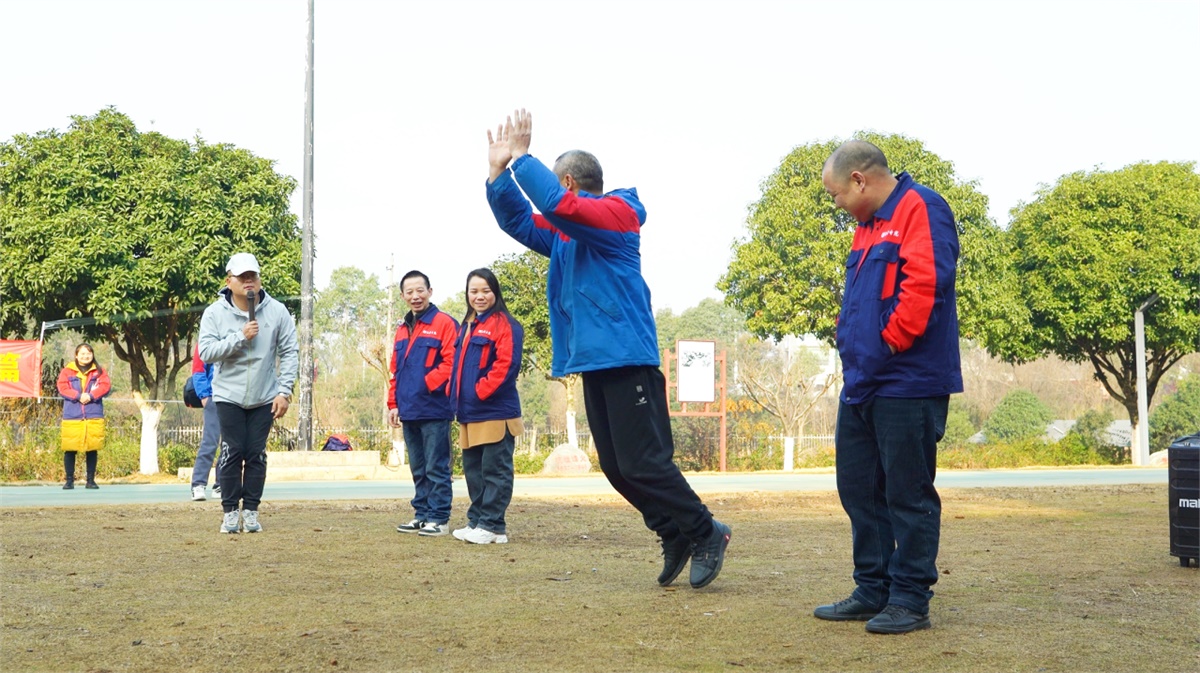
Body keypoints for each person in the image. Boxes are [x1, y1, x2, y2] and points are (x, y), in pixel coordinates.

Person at [484, 109, 730, 589]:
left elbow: (558, 206)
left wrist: (524, 158)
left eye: (556, 185)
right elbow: (520, 220)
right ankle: (672, 533)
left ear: (570, 182)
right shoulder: (565, 233)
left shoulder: (617, 214)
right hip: (594, 362)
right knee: (618, 469)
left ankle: (706, 532)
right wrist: (499, 173)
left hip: (627, 359)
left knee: (646, 464)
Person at [812, 140, 963, 634]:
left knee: (907, 492)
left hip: (907, 381)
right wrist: (852, 349)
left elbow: (925, 285)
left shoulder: (922, 206)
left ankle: (910, 597)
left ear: (859, 179)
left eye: (836, 194)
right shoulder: (867, 227)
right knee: (859, 487)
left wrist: (885, 346)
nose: (836, 204)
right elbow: (858, 300)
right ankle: (872, 587)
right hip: (863, 381)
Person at [198, 252, 298, 534]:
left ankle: (251, 511)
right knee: (232, 451)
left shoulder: (277, 311)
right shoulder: (214, 313)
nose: (248, 281)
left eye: (252, 275)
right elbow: (206, 352)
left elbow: (290, 352)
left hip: (265, 396)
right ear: (229, 281)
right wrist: (240, 336)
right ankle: (230, 512)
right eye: (242, 277)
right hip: (228, 395)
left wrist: (284, 391)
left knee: (255, 453)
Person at [449, 268, 524, 545]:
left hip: (495, 411)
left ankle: (494, 526)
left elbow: (506, 366)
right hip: (468, 412)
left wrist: (479, 392)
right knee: (474, 472)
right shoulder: (468, 324)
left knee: (495, 471)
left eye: (485, 290)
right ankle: (477, 521)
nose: (479, 296)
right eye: (473, 291)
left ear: (495, 292)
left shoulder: (505, 324)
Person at [387, 270, 458, 538]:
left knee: (437, 466)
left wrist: (427, 384)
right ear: (403, 296)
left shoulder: (444, 323)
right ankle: (422, 514)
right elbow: (396, 371)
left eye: (420, 290)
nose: (415, 296)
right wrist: (393, 403)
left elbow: (452, 362)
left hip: (434, 409)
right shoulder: (402, 329)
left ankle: (439, 518)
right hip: (408, 410)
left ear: (430, 291)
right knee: (418, 466)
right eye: (409, 292)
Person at [56, 343, 111, 490]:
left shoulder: (99, 372)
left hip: (93, 414)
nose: (85, 356)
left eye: (88, 353)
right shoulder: (67, 371)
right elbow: (62, 387)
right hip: (72, 415)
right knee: (70, 449)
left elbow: (105, 386)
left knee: (92, 449)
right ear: (76, 355)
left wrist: (91, 396)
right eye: (82, 354)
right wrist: (78, 396)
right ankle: (69, 481)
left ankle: (91, 481)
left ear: (92, 355)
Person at [189, 344, 221, 501]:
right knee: (210, 442)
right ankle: (198, 484)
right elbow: (198, 370)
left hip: (234, 397)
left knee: (232, 444)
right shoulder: (206, 339)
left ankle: (221, 484)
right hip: (213, 397)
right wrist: (204, 396)